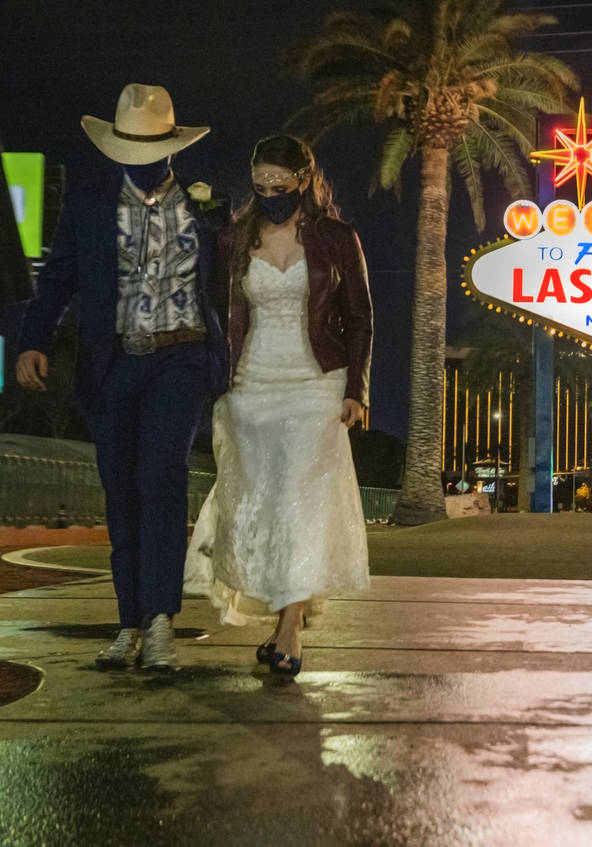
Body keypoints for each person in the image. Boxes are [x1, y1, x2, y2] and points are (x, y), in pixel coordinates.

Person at [16, 84, 229, 672]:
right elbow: (58, 279)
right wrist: (33, 339)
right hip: (110, 366)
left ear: (172, 146)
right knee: (121, 492)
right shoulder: (87, 203)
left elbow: (236, 284)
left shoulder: (207, 204)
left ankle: (160, 621)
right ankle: (129, 621)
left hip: (180, 358)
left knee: (160, 480)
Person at [184, 135, 372, 678]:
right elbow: (215, 310)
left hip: (318, 383)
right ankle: (280, 617)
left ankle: (291, 627)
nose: (269, 193)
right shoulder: (234, 238)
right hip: (251, 386)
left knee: (301, 501)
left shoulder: (338, 239)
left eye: (280, 184)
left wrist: (356, 389)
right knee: (265, 506)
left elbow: (360, 317)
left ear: (305, 181)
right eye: (260, 184)